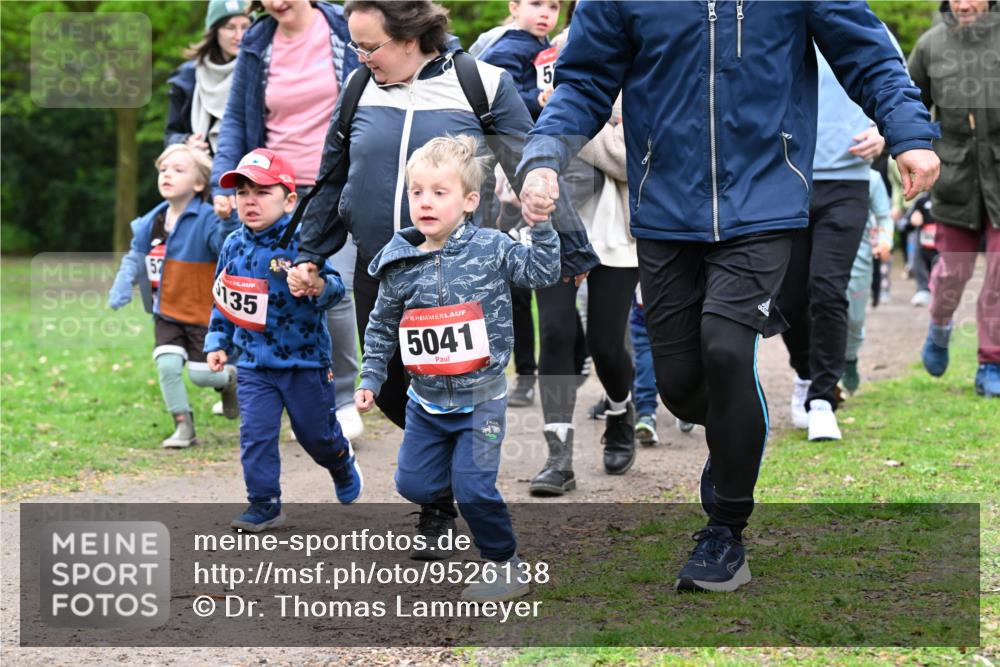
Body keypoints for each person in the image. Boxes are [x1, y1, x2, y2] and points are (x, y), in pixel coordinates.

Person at [518, 1, 939, 592]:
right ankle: (739, 419)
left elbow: (867, 56)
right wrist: (544, 157)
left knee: (725, 350)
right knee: (682, 388)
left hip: (766, 199)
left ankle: (725, 531)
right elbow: (584, 79)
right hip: (663, 205)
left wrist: (908, 134)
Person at [286, 0, 597, 558]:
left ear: (409, 38)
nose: (359, 56)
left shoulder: (482, 84)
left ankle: (442, 501)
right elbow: (333, 175)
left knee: (448, 378)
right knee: (392, 389)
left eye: (369, 45)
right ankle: (444, 477)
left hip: (459, 275)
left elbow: (532, 167)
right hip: (382, 268)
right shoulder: (360, 87)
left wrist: (568, 251)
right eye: (355, 45)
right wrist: (309, 251)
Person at [355, 135, 560, 601]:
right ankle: (457, 481)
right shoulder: (399, 263)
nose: (425, 202)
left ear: (469, 201)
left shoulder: (491, 248)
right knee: (412, 483)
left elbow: (542, 275)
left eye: (439, 193)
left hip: (481, 400)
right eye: (417, 192)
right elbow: (382, 327)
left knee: (475, 491)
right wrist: (370, 378)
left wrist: (543, 228)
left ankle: (504, 564)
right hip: (425, 403)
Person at [210, 0, 366, 439]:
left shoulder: (343, 25)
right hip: (272, 188)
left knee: (334, 288)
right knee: (271, 289)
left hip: (334, 185)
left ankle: (341, 397)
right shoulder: (258, 39)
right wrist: (224, 187)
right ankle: (277, 389)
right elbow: (238, 120)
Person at [206, 148, 363, 532]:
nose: (250, 201)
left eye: (261, 191)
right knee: (255, 434)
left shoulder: (303, 242)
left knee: (316, 436)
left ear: (289, 199)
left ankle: (340, 460)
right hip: (254, 364)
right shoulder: (233, 244)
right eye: (242, 192)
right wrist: (217, 341)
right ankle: (264, 504)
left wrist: (316, 285)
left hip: (304, 361)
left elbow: (337, 289)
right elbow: (224, 296)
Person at [779, 43, 893, 442]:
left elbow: (895, 88)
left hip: (848, 181)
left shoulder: (864, 27)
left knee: (827, 289)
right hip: (788, 177)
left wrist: (884, 132)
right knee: (788, 297)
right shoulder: (778, 23)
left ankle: (824, 400)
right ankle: (806, 374)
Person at [108, 144, 240, 448]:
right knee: (167, 367)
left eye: (178, 170)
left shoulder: (207, 218)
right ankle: (183, 426)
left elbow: (226, 249)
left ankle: (229, 379)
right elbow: (135, 255)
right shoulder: (151, 221)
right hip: (165, 312)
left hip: (201, 314)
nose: (167, 174)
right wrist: (122, 284)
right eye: (163, 169)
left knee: (201, 376)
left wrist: (228, 220)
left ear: (198, 183)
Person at [909, 0, 1000, 398]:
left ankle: (991, 362)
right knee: (953, 274)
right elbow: (909, 105)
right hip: (956, 180)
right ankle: (941, 323)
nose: (964, 4)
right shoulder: (931, 45)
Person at [474, 0, 561, 406]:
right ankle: (521, 372)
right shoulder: (507, 46)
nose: (545, 12)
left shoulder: (545, 45)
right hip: (507, 181)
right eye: (535, 3)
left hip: (541, 173)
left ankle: (559, 361)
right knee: (514, 285)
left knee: (550, 280)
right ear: (513, 7)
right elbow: (498, 98)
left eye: (554, 5)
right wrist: (537, 99)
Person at [165, 0, 251, 154]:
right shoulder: (188, 76)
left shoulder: (260, 72)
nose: (239, 36)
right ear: (215, 30)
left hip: (247, 169)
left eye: (245, 27)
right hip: (201, 167)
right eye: (230, 27)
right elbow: (171, 135)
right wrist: (185, 141)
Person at [841, 169, 893, 395]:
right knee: (818, 312)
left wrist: (885, 241)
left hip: (859, 260)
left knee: (854, 319)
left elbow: (884, 217)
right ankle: (822, 375)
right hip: (819, 254)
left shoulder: (871, 178)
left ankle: (850, 359)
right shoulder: (812, 169)